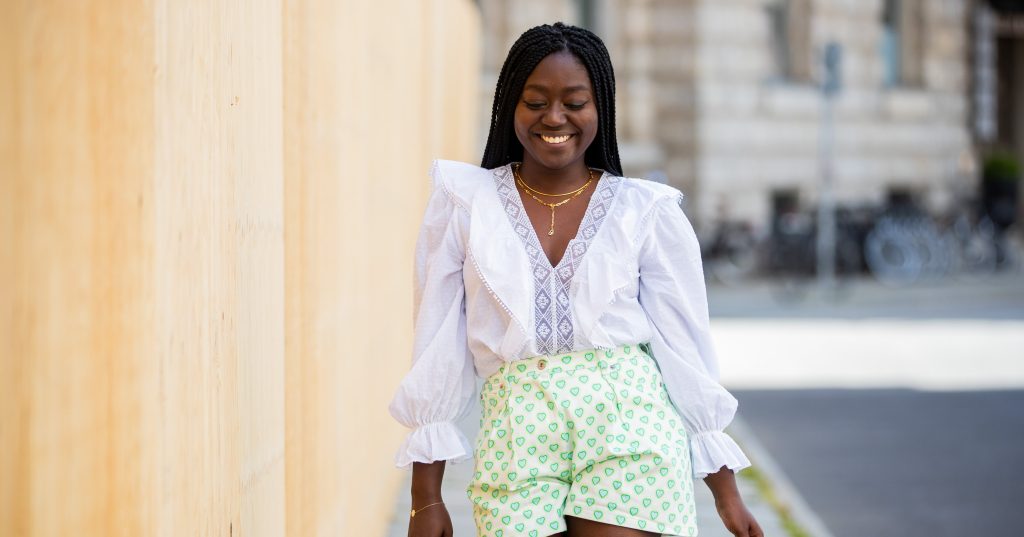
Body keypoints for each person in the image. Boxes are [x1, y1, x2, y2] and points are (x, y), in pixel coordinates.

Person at [389, 22, 763, 537]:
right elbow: (437, 345)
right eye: (536, 101)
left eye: (574, 101)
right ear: (509, 107)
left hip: (630, 425)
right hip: (516, 434)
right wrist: (424, 498)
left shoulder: (645, 211)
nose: (555, 118)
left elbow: (685, 346)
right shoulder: (463, 203)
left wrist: (725, 493)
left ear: (600, 108)